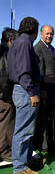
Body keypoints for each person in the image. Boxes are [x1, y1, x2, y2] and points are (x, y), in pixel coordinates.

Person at [7, 17, 40, 174]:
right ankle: (20, 168)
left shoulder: (18, 42)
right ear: (33, 29)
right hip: (26, 91)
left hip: (21, 90)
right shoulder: (25, 42)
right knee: (23, 131)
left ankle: (25, 162)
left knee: (27, 130)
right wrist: (32, 92)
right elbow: (24, 71)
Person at [33, 25, 55, 153]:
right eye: (47, 33)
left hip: (53, 90)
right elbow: (38, 72)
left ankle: (50, 142)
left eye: (52, 34)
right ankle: (43, 146)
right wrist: (42, 90)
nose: (49, 36)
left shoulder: (51, 48)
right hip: (45, 91)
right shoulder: (38, 49)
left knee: (50, 117)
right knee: (43, 119)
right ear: (41, 34)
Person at [0, 28, 18, 162]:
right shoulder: (5, 54)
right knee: (6, 124)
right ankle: (4, 152)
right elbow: (5, 78)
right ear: (10, 40)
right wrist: (9, 99)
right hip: (3, 98)